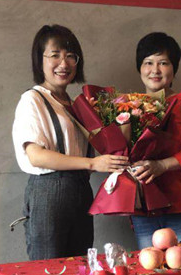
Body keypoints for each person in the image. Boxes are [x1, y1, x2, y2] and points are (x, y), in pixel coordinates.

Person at [12, 25, 128, 260]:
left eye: (70, 56)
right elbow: (36, 156)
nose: (63, 64)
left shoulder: (77, 104)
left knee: (80, 268)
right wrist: (92, 164)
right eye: (55, 55)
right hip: (48, 192)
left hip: (81, 190)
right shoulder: (33, 99)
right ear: (40, 60)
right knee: (49, 270)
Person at [130, 32, 181, 248]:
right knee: (149, 264)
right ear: (139, 68)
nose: (155, 70)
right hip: (144, 207)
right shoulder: (128, 108)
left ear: (174, 68)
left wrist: (161, 166)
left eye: (163, 63)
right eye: (148, 62)